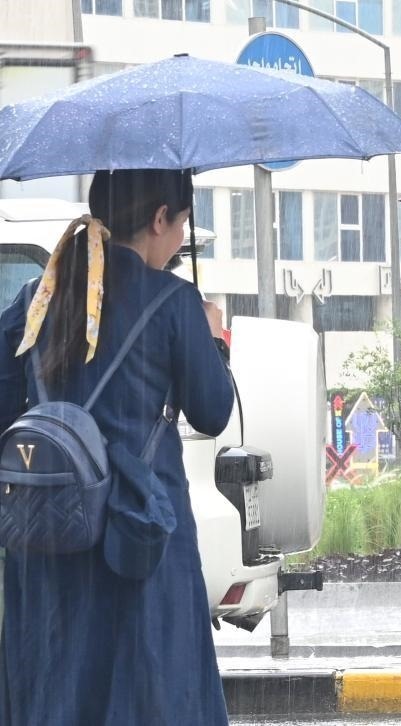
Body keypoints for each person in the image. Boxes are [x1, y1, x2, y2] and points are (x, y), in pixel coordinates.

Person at [0, 169, 235, 724]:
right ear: (160, 218)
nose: (180, 239)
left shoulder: (36, 299)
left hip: (47, 531)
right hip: (138, 533)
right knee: (150, 687)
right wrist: (213, 340)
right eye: (182, 224)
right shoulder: (174, 301)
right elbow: (212, 411)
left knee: (57, 684)